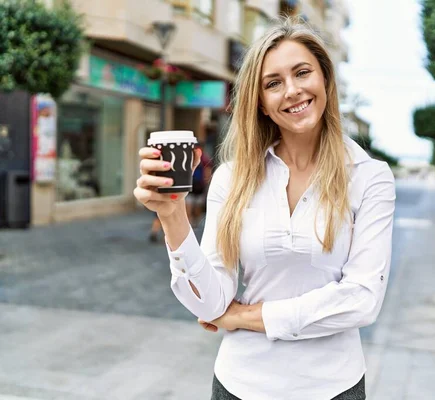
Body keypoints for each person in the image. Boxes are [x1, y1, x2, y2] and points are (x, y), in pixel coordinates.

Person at [134, 18, 395, 400]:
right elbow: (210, 301)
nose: (292, 91)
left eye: (302, 72)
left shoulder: (370, 177)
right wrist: (171, 215)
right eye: (273, 83)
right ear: (260, 103)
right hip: (240, 385)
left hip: (333, 387)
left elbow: (361, 300)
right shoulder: (232, 178)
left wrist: (243, 317)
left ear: (325, 79)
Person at [186, 142, 213, 228]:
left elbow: (207, 172)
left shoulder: (204, 159)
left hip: (199, 187)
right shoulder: (189, 158)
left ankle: (194, 221)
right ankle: (190, 223)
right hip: (190, 187)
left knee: (197, 207)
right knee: (189, 207)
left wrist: (206, 183)